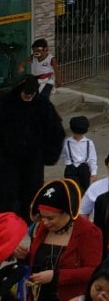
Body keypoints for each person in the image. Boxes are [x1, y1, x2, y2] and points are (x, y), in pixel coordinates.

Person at [25, 179, 102, 301]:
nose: (45, 222)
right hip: (38, 300)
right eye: (42, 217)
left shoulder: (88, 232)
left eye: (50, 218)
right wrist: (23, 255)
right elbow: (35, 260)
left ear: (67, 212)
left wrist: (55, 276)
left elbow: (92, 270)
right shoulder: (42, 228)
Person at [0, 75, 66, 219]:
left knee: (32, 193)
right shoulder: (5, 103)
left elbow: (56, 132)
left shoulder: (42, 105)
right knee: (7, 193)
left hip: (33, 160)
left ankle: (30, 220)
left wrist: (49, 155)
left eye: (32, 94)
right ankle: (7, 222)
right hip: (8, 159)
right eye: (26, 94)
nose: (29, 97)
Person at [63, 116, 99, 191]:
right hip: (71, 168)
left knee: (84, 188)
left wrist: (93, 171)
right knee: (71, 188)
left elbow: (92, 158)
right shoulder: (67, 142)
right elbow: (64, 154)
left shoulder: (89, 143)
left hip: (84, 168)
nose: (78, 135)